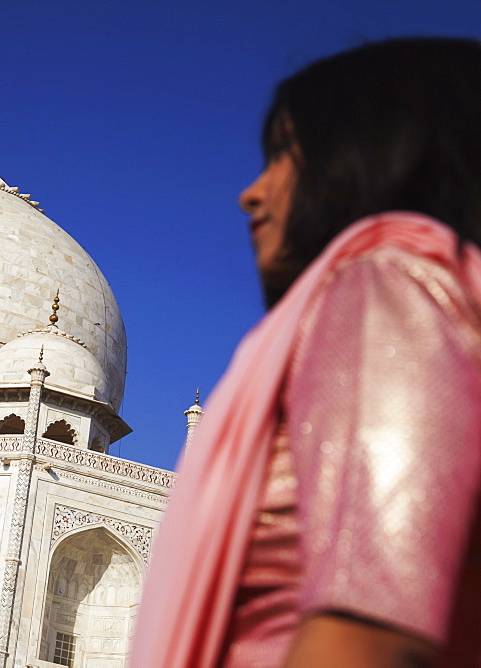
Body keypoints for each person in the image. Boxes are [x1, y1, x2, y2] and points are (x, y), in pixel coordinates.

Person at [129, 38, 481, 667]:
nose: (251, 192)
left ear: (372, 153)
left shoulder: (384, 289)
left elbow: (365, 639)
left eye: (282, 156)